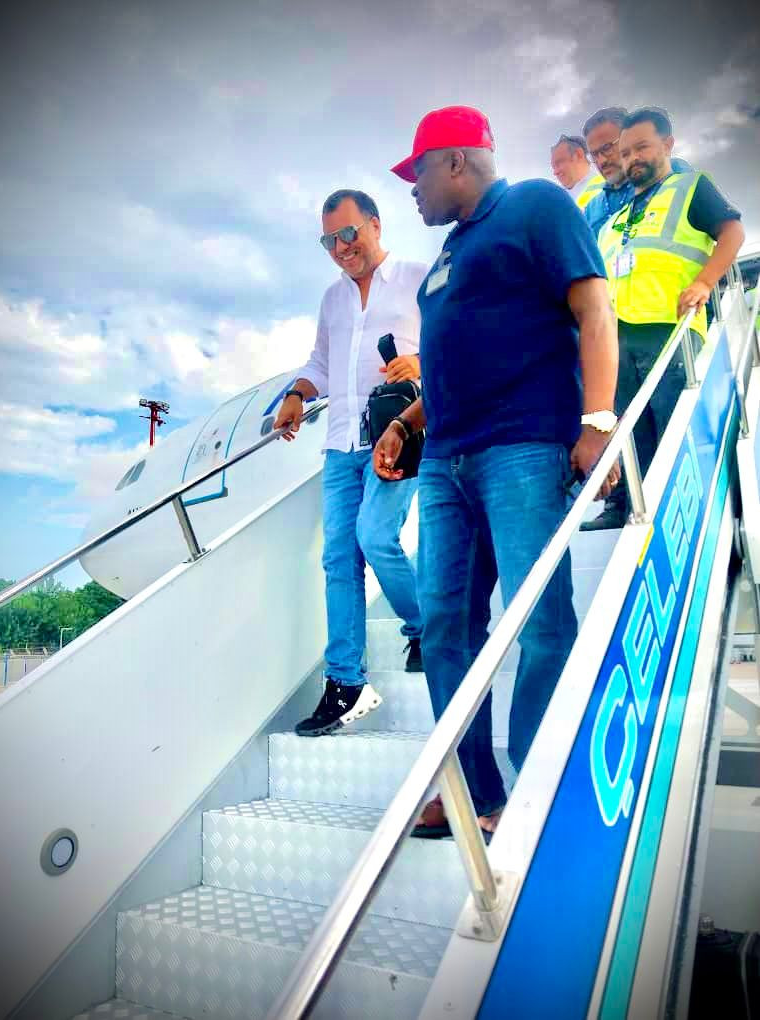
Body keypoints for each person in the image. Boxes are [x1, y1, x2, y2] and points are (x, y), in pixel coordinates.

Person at [378, 106, 620, 838]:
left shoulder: (535, 205)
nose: (412, 190)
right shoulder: (448, 253)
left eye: (417, 172)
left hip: (521, 449)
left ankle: (539, 789)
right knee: (445, 628)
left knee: (539, 620)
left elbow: (595, 309)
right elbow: (451, 364)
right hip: (445, 463)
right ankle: (475, 794)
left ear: (455, 161)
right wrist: (405, 422)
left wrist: (598, 421)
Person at [274, 189, 428, 736]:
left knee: (375, 535)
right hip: (340, 445)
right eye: (329, 241)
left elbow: (455, 344)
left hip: (400, 432)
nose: (341, 248)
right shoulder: (332, 300)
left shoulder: (417, 278)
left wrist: (420, 360)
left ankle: (426, 626)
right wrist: (297, 393)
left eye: (348, 233)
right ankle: (345, 683)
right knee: (339, 561)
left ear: (375, 226)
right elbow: (320, 361)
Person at [583, 106, 744, 531]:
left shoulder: (690, 187)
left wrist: (705, 282)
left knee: (672, 426)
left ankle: (680, 517)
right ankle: (622, 508)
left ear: (667, 145)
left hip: (670, 333)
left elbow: (732, 233)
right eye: (625, 152)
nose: (631, 158)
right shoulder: (616, 218)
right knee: (627, 430)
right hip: (618, 340)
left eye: (642, 148)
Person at [582, 106, 692, 238]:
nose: (601, 161)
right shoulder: (591, 210)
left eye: (607, 148)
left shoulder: (672, 171)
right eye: (594, 155)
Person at [550, 133, 605, 210]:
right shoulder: (556, 198)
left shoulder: (605, 188)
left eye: (559, 163)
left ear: (579, 154)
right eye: (553, 167)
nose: (555, 172)